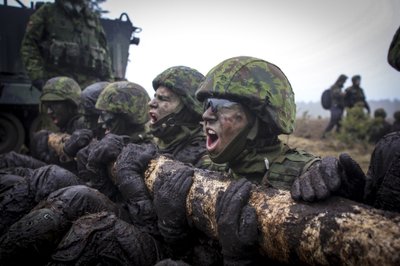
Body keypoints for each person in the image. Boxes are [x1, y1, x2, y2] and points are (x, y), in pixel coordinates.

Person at [147, 56, 365, 264]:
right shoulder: (215, 168)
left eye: (220, 105)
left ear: (260, 119)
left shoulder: (303, 175)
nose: (205, 116)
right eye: (206, 105)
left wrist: (345, 193)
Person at [20, 0, 113, 90]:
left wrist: (109, 86)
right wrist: (38, 77)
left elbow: (105, 55)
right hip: (58, 89)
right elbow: (29, 45)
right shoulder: (48, 12)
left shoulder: (92, 19)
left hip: (88, 90)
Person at [322, 74, 347, 138]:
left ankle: (338, 136)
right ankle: (324, 135)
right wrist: (342, 94)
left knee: (340, 123)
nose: (344, 82)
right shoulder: (334, 87)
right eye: (343, 81)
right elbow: (335, 95)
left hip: (339, 108)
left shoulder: (340, 88)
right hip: (335, 107)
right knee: (333, 121)